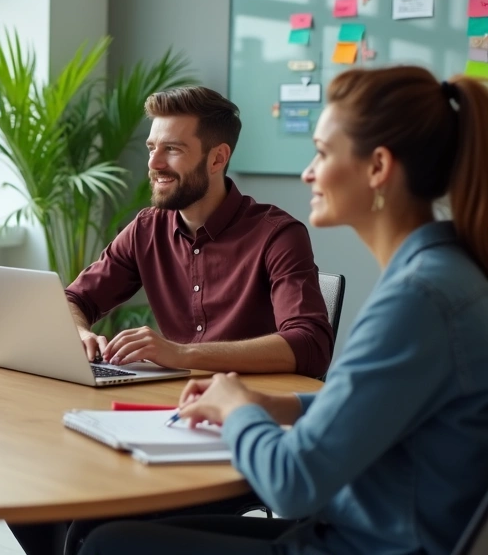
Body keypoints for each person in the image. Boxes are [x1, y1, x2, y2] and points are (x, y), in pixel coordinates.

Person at [81, 66, 488, 554]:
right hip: (358, 530)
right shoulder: (442, 275)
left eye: (321, 153)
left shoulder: (417, 299)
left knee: (111, 545)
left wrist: (236, 412)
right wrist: (277, 405)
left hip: (364, 543)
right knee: (97, 533)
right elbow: (370, 405)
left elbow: (292, 484)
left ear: (378, 168)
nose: (307, 173)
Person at [10, 85, 335, 555]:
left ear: (218, 157)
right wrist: (79, 331)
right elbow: (74, 297)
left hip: (238, 440)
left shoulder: (277, 235)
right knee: (31, 488)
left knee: (89, 524)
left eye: (173, 149)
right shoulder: (147, 228)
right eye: (151, 147)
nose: (155, 162)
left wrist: (182, 354)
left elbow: (309, 344)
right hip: (163, 422)